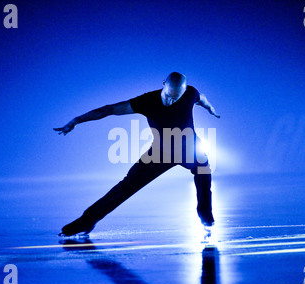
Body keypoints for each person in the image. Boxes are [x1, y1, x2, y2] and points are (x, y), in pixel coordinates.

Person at [54, 72, 220, 236]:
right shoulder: (147, 101)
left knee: (203, 171)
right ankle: (87, 221)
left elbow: (202, 99)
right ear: (164, 84)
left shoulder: (190, 93)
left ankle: (206, 218)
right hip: (160, 153)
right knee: (126, 186)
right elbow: (109, 109)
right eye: (169, 96)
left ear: (184, 92)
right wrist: (76, 120)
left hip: (189, 148)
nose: (171, 101)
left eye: (176, 98)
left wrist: (209, 107)